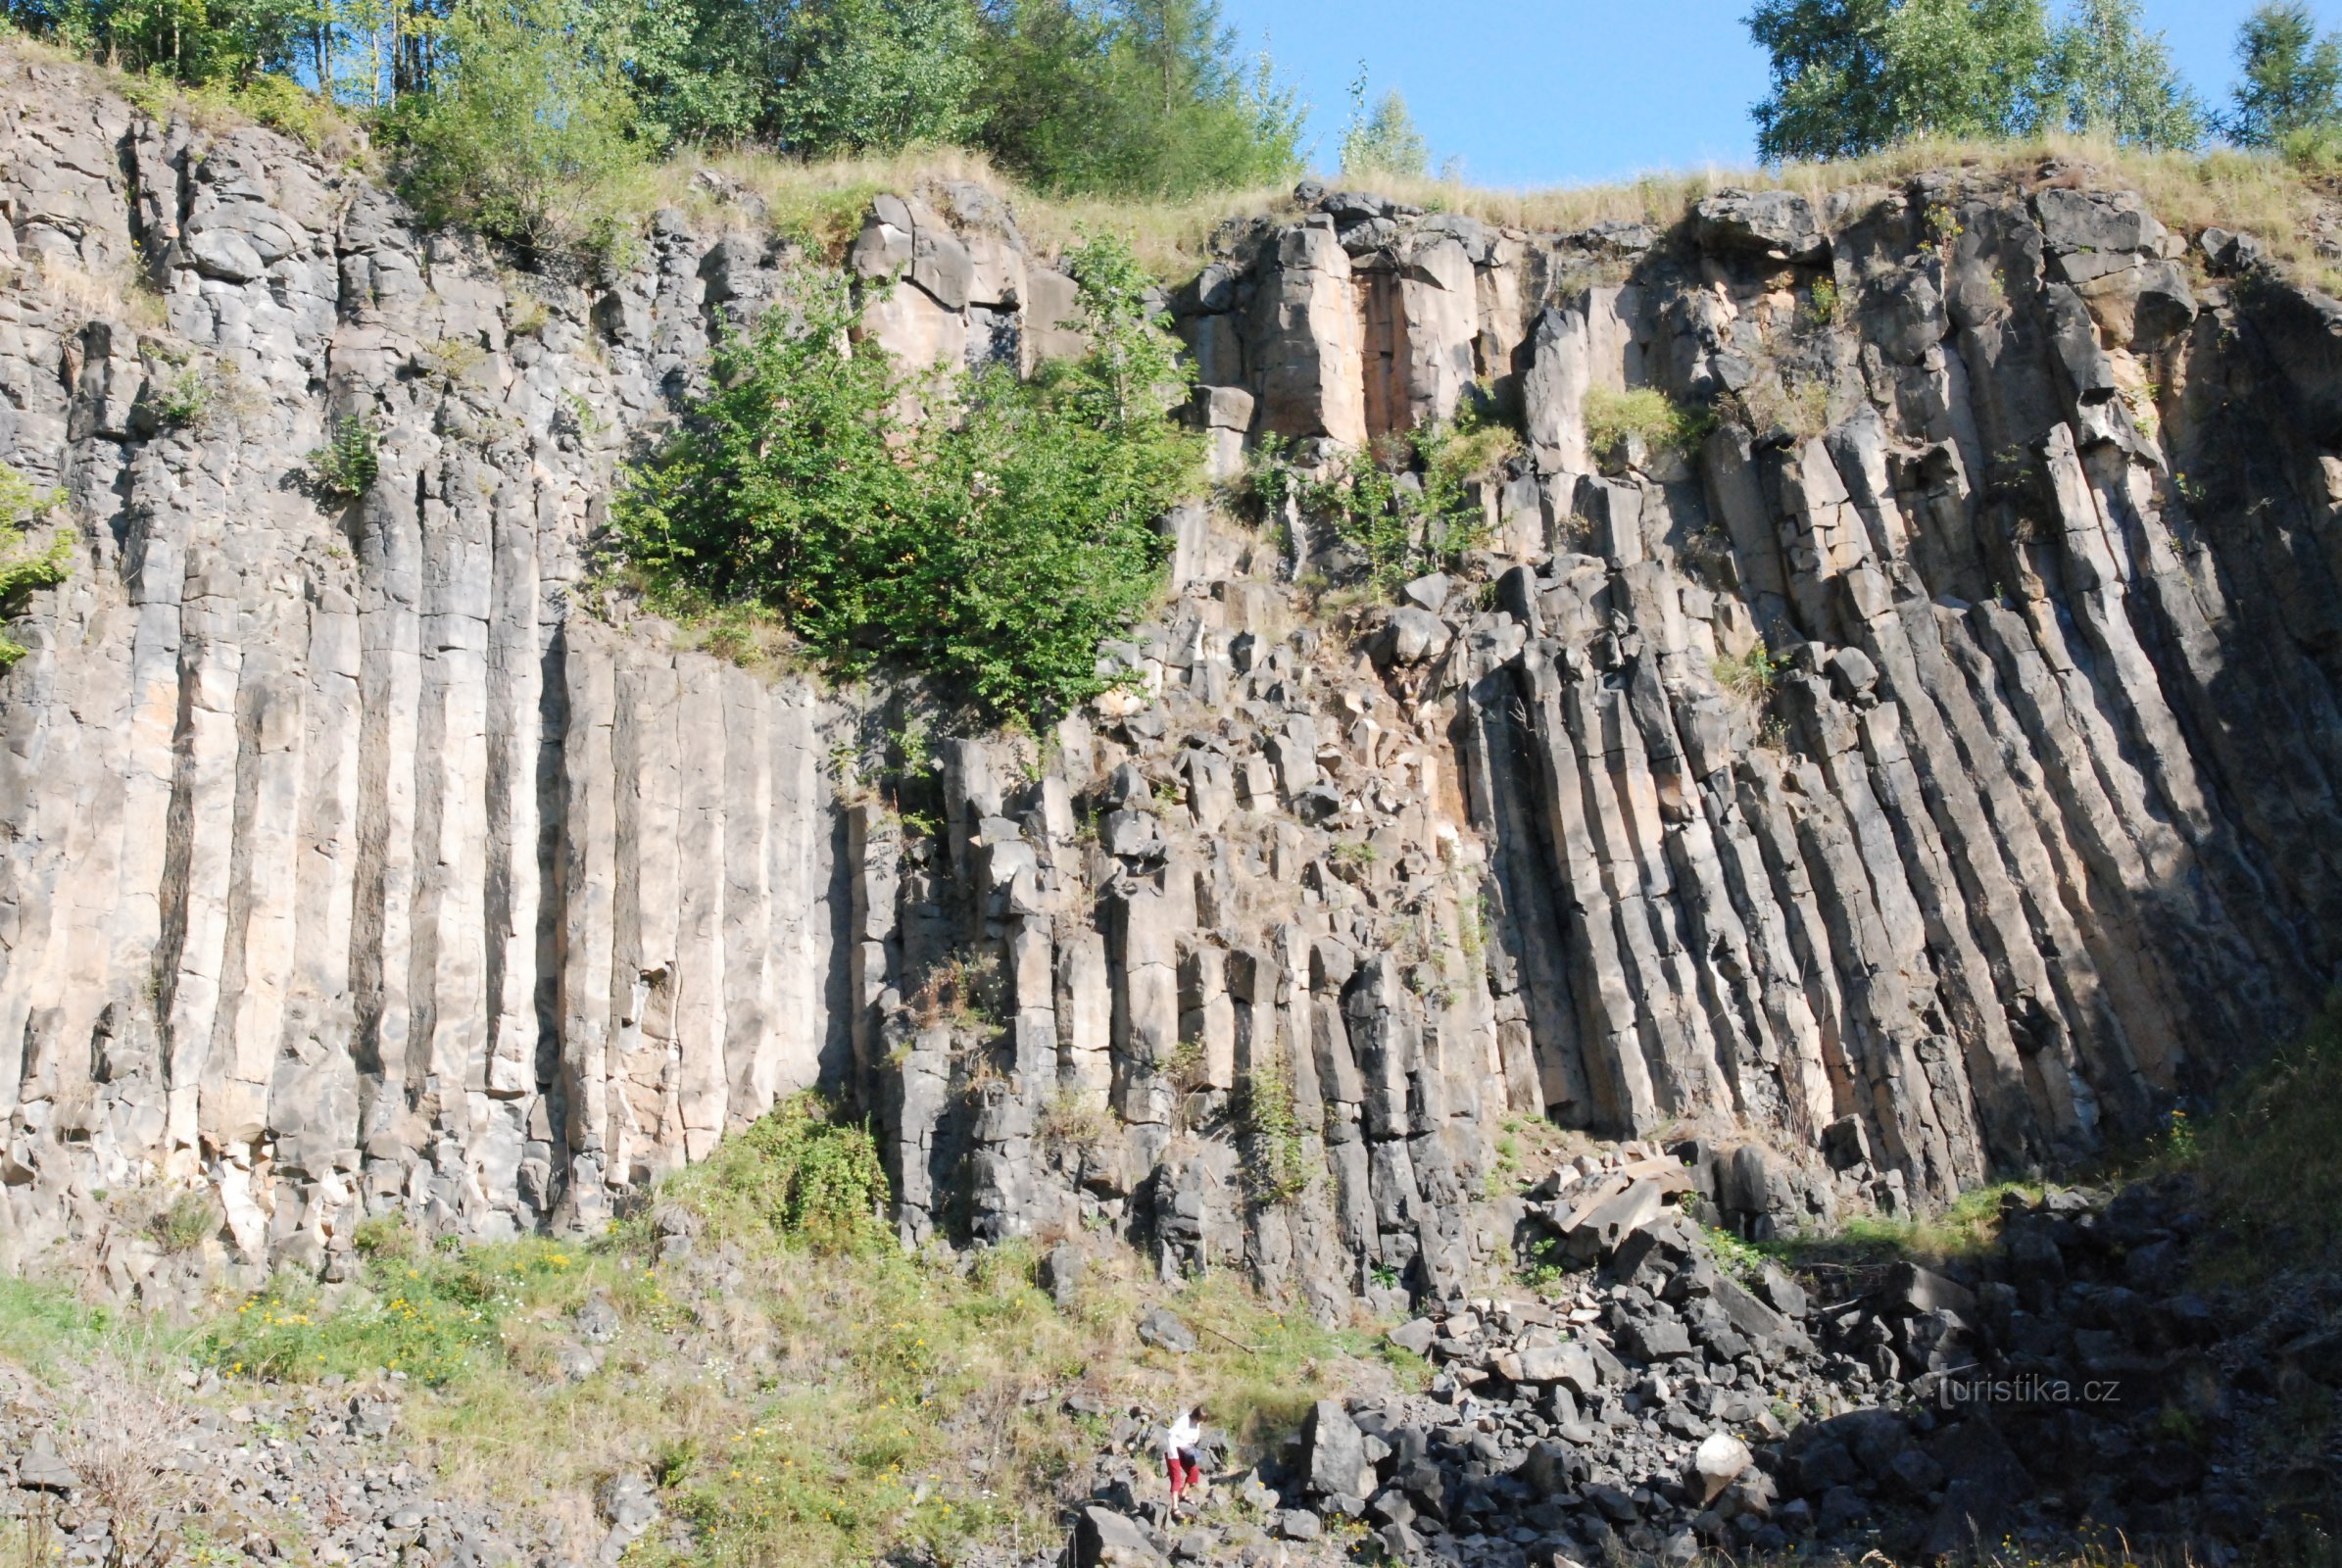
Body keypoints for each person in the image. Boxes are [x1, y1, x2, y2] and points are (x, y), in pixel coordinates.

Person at [1164, 1404, 1206, 1507]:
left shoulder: (1197, 1422)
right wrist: (1173, 1454)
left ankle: (1183, 1494)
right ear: (1195, 1416)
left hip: (1186, 1449)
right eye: (1198, 1420)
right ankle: (1175, 1506)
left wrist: (1193, 1441)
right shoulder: (1183, 1421)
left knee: (1194, 1472)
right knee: (1176, 1478)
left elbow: (1195, 1435)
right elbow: (1170, 1433)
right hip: (1174, 1449)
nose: (1199, 1423)